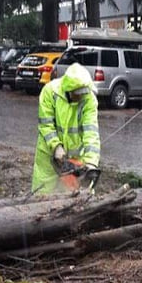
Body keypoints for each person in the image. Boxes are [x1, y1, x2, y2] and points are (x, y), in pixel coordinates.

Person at [30, 63, 101, 194]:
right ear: (69, 90)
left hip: (75, 159)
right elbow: (46, 125)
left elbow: (91, 132)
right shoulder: (50, 92)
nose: (81, 96)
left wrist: (91, 162)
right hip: (48, 155)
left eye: (83, 92)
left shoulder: (89, 99)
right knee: (42, 194)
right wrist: (56, 147)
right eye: (77, 93)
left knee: (74, 196)